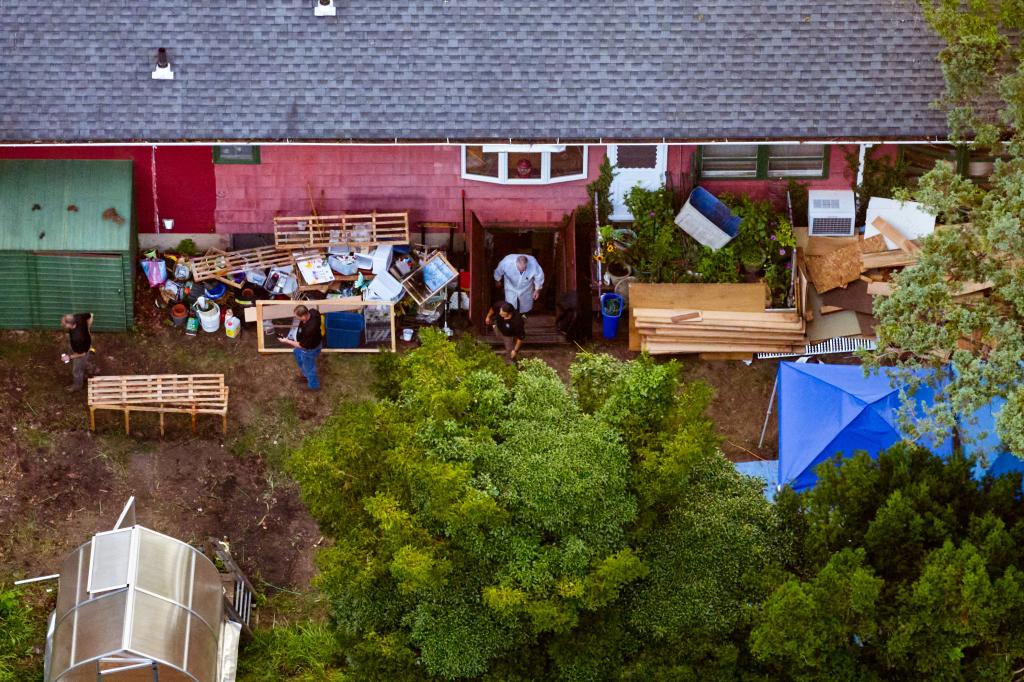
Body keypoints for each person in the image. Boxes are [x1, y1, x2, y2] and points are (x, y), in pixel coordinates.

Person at [277, 305, 322, 391]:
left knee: (310, 368)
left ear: (304, 316)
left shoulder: (310, 330)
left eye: (298, 317)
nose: (297, 319)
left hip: (309, 349)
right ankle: (305, 375)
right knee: (297, 353)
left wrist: (286, 340)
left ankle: (314, 386)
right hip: (313, 342)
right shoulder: (313, 312)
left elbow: (302, 345)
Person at [60, 312, 99, 392]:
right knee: (84, 360)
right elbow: (91, 315)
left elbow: (82, 353)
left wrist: (69, 357)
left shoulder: (77, 339)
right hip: (86, 344)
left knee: (76, 370)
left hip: (82, 351)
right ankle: (93, 369)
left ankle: (77, 386)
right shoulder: (78, 317)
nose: (62, 324)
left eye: (63, 323)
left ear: (69, 324)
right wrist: (87, 328)